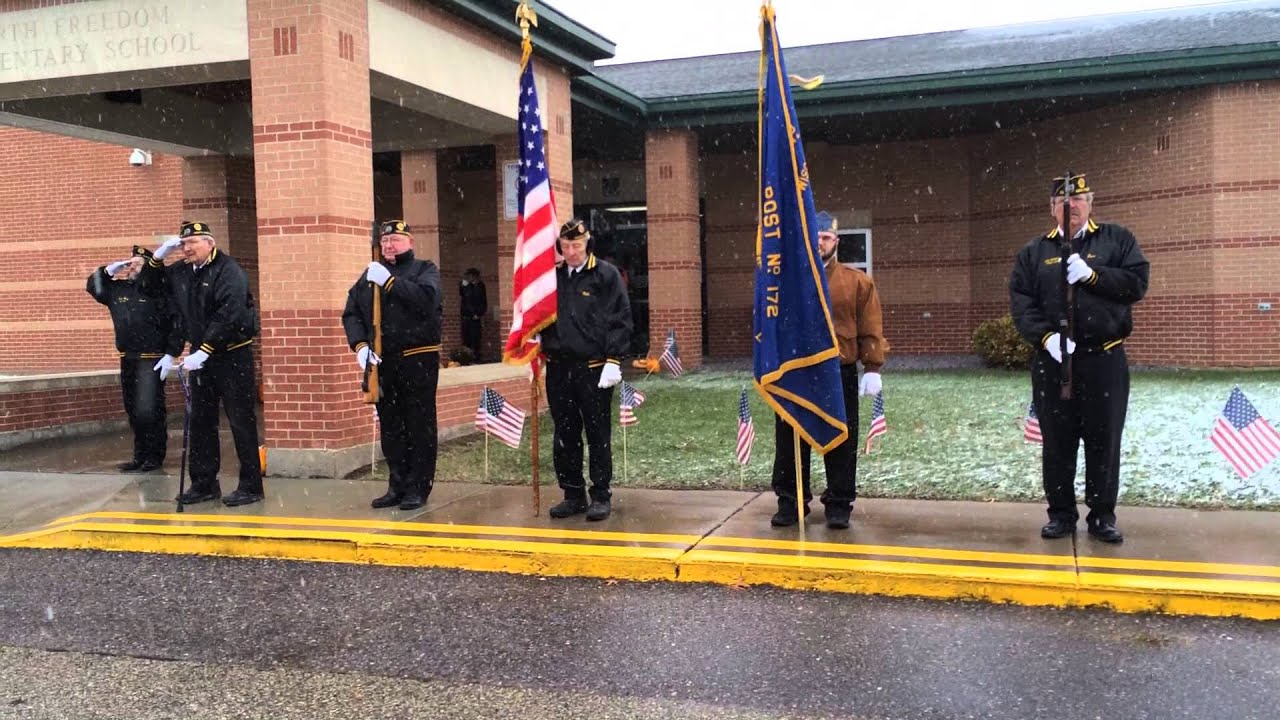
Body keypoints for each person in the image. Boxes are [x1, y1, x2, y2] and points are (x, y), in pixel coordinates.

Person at [1009, 173, 1150, 544]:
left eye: (1078, 200)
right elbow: (1021, 303)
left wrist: (1094, 276)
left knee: (1104, 440)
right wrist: (1047, 338)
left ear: (1090, 202)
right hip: (1054, 361)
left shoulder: (1117, 240)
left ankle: (1102, 516)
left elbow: (1136, 284)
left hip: (1104, 360)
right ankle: (1061, 515)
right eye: (1062, 202)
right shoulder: (1034, 252)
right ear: (1051, 208)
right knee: (1058, 441)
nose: (1070, 207)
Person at [770, 211, 888, 530]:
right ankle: (790, 500)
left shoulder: (856, 282)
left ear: (836, 241)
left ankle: (838, 503)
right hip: (795, 371)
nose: (819, 243)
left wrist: (872, 366)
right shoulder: (786, 280)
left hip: (838, 372)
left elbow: (870, 326)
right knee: (790, 439)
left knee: (840, 439)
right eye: (815, 237)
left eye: (825, 238)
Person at [141, 221, 264, 507]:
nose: (187, 248)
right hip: (200, 358)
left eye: (193, 242)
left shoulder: (228, 270)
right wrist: (157, 258)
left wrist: (205, 349)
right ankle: (204, 483)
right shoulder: (183, 271)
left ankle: (251, 486)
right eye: (183, 244)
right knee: (200, 421)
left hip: (232, 355)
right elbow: (149, 288)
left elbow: (230, 313)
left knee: (241, 421)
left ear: (209, 243)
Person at [342, 220, 442, 511]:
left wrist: (390, 283)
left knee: (419, 425)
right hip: (383, 362)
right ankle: (397, 485)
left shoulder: (424, 270)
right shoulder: (370, 274)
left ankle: (418, 487)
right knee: (391, 426)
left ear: (410, 242)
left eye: (395, 240)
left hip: (417, 359)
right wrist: (360, 345)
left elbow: (427, 300)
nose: (389, 245)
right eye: (385, 241)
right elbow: (351, 312)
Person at [541, 218, 632, 521]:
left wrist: (614, 359)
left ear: (587, 244)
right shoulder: (552, 278)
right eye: (566, 246)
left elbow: (620, 318)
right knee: (565, 434)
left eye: (577, 246)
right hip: (558, 368)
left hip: (593, 368)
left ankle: (601, 494)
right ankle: (573, 494)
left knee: (597, 433)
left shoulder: (605, 274)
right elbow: (539, 315)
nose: (571, 252)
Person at [86, 248, 182, 473]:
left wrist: (171, 353)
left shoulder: (158, 291)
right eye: (130, 263)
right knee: (133, 410)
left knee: (149, 410)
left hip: (151, 358)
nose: (132, 267)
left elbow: (176, 324)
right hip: (128, 357)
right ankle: (140, 456)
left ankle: (154, 456)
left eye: (138, 264)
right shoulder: (118, 289)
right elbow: (94, 287)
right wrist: (108, 271)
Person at [459, 267, 487, 362]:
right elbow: (465, 297)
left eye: (470, 276)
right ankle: (467, 358)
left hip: (475, 317)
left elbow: (482, 301)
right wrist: (464, 286)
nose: (468, 278)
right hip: (466, 316)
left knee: (475, 338)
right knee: (466, 337)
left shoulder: (480, 286)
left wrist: (478, 313)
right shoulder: (467, 286)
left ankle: (476, 357)